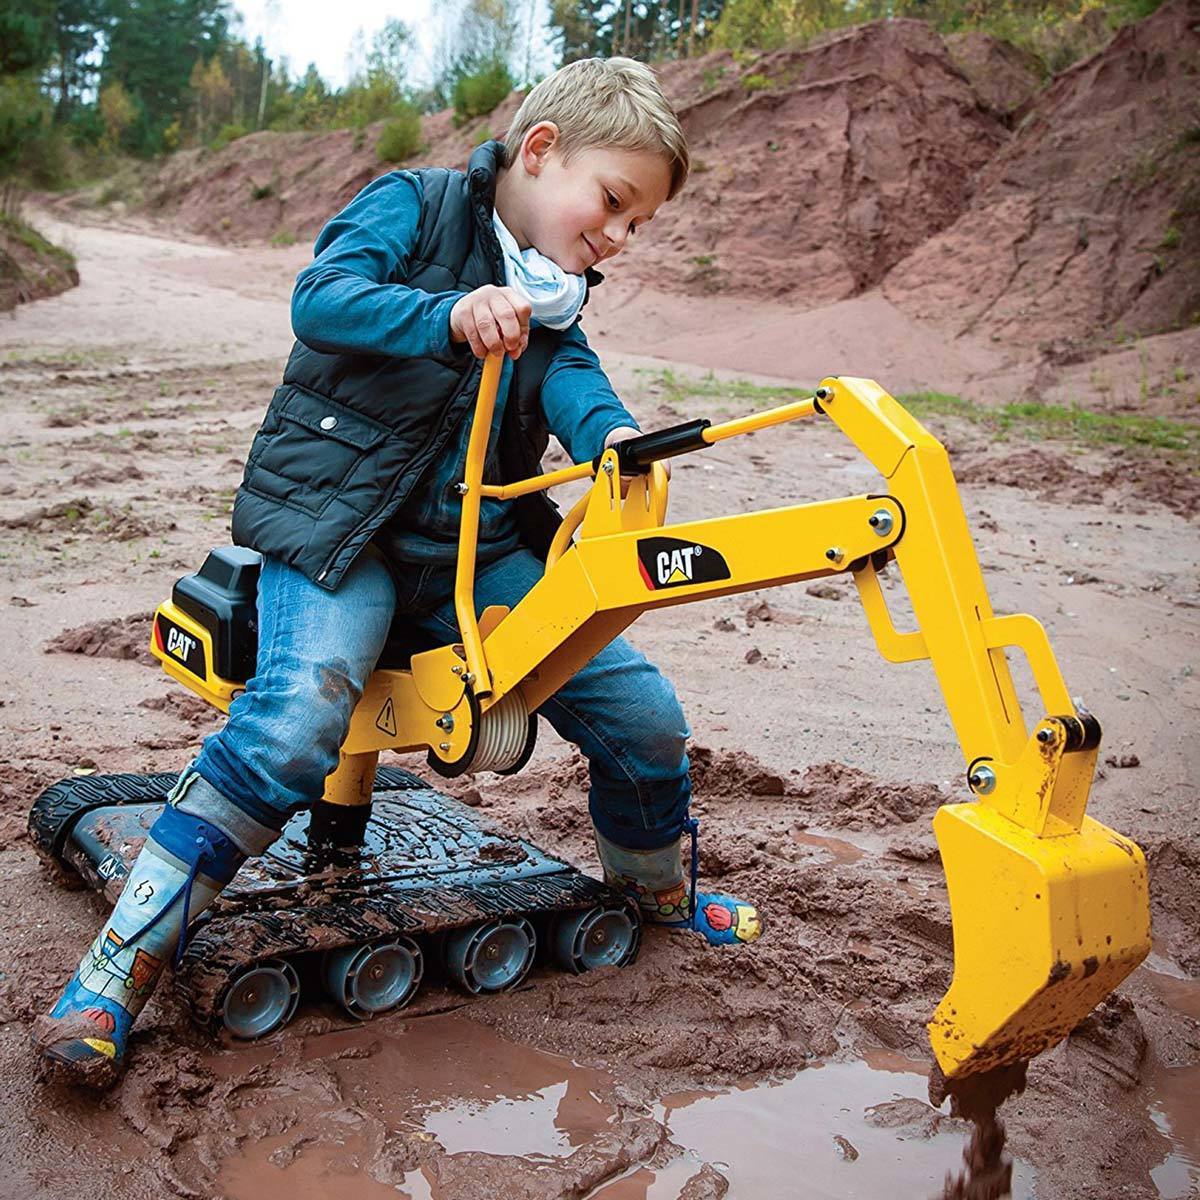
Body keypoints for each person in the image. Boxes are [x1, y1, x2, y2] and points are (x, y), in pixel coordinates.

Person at [34, 56, 763, 1080]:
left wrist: (617, 444)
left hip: (476, 558)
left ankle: (654, 893)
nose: (619, 237)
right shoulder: (413, 208)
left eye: (638, 225)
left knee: (642, 715)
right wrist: (449, 314)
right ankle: (116, 970)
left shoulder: (555, 305)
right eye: (613, 202)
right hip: (340, 537)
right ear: (541, 151)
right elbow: (322, 299)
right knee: (294, 721)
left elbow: (578, 385)